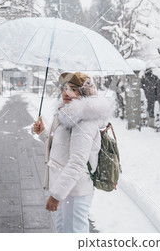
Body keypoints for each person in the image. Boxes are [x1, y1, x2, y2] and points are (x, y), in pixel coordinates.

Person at [33, 72, 112, 233]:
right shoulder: (66, 115)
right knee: (63, 230)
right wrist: (43, 133)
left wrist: (55, 196)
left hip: (76, 190)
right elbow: (61, 147)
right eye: (64, 88)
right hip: (65, 187)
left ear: (84, 93)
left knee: (74, 233)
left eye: (73, 89)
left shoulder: (84, 120)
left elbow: (77, 162)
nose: (66, 93)